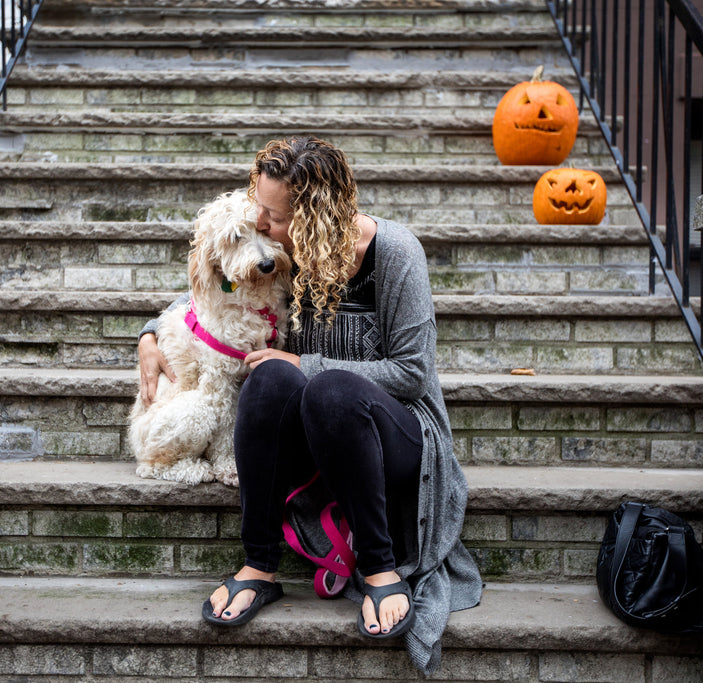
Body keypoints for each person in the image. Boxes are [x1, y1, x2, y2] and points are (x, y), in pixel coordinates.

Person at [137, 137, 481, 675]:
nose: (261, 226)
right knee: (269, 376)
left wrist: (311, 367)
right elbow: (207, 290)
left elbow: (413, 374)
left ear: (311, 219)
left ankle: (380, 566)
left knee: (328, 387)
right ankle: (260, 565)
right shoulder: (284, 258)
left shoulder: (396, 254)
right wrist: (152, 331)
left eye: (271, 218)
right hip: (317, 434)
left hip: (400, 435)